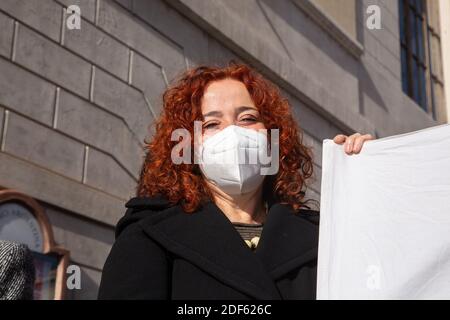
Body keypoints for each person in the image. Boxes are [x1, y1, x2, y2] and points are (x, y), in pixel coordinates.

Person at [98, 62, 373, 299]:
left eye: (248, 118)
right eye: (211, 124)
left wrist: (371, 179)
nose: (233, 133)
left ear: (274, 137)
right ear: (189, 146)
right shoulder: (149, 233)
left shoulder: (323, 236)